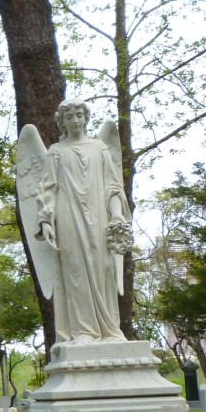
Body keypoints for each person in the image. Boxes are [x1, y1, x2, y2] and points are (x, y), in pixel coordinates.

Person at [35, 97, 130, 344]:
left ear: (86, 118)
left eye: (79, 115)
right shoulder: (56, 152)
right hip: (68, 216)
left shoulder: (99, 148)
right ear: (62, 122)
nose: (75, 120)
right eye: (70, 116)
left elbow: (112, 186)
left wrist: (117, 213)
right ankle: (84, 331)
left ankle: (110, 330)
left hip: (99, 216)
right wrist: (46, 221)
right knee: (75, 270)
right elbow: (48, 189)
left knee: (105, 268)